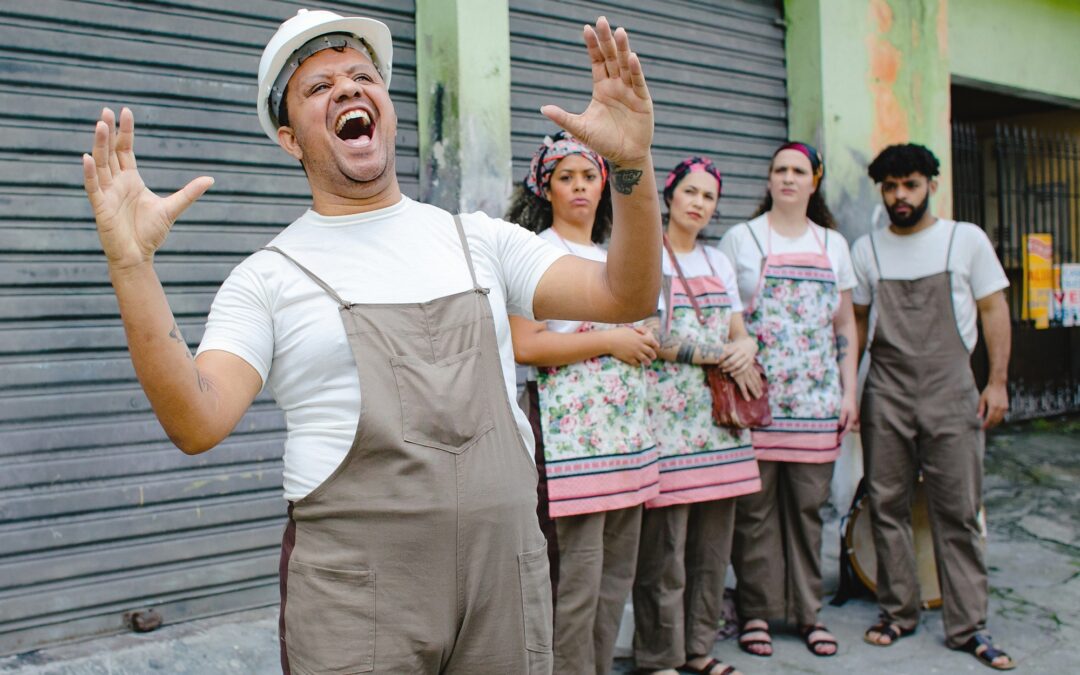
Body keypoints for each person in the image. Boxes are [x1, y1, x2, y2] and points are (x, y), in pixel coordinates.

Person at [80, 9, 662, 673]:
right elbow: (197, 420)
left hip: (505, 576)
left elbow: (627, 296)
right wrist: (132, 267)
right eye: (319, 87)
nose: (349, 89)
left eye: (362, 76)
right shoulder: (267, 278)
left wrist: (631, 168)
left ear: (386, 106)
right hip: (357, 600)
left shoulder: (480, 241)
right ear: (289, 138)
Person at [852, 143, 1015, 671]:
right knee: (887, 505)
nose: (901, 196)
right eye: (891, 187)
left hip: (952, 390)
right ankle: (898, 612)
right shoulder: (867, 249)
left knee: (959, 511)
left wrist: (997, 382)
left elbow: (994, 309)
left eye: (911, 184)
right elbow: (855, 323)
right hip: (887, 393)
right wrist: (850, 392)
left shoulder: (964, 240)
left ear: (932, 185)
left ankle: (968, 625)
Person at [506, 131, 660, 675]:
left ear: (604, 184)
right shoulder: (534, 252)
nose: (578, 187)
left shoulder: (612, 256)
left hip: (625, 438)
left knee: (615, 574)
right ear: (544, 188)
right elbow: (526, 345)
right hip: (568, 441)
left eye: (588, 176)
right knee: (575, 577)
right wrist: (611, 339)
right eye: (565, 177)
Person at [719, 142, 858, 658]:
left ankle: (808, 614)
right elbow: (725, 316)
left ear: (814, 180)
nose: (788, 178)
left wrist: (849, 391)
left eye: (798, 170)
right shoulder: (743, 238)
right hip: (756, 402)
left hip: (817, 402)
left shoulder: (833, 246)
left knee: (806, 510)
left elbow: (845, 324)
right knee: (753, 514)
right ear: (769, 178)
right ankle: (757, 613)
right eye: (779, 169)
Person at [631, 157, 761, 675]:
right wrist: (715, 353)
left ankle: (700, 650)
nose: (698, 203)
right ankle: (659, 657)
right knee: (665, 552)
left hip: (720, 423)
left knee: (712, 550)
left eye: (708, 196)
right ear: (669, 195)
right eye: (690, 191)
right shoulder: (646, 254)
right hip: (668, 421)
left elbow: (737, 328)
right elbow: (648, 334)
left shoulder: (718, 263)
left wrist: (746, 346)